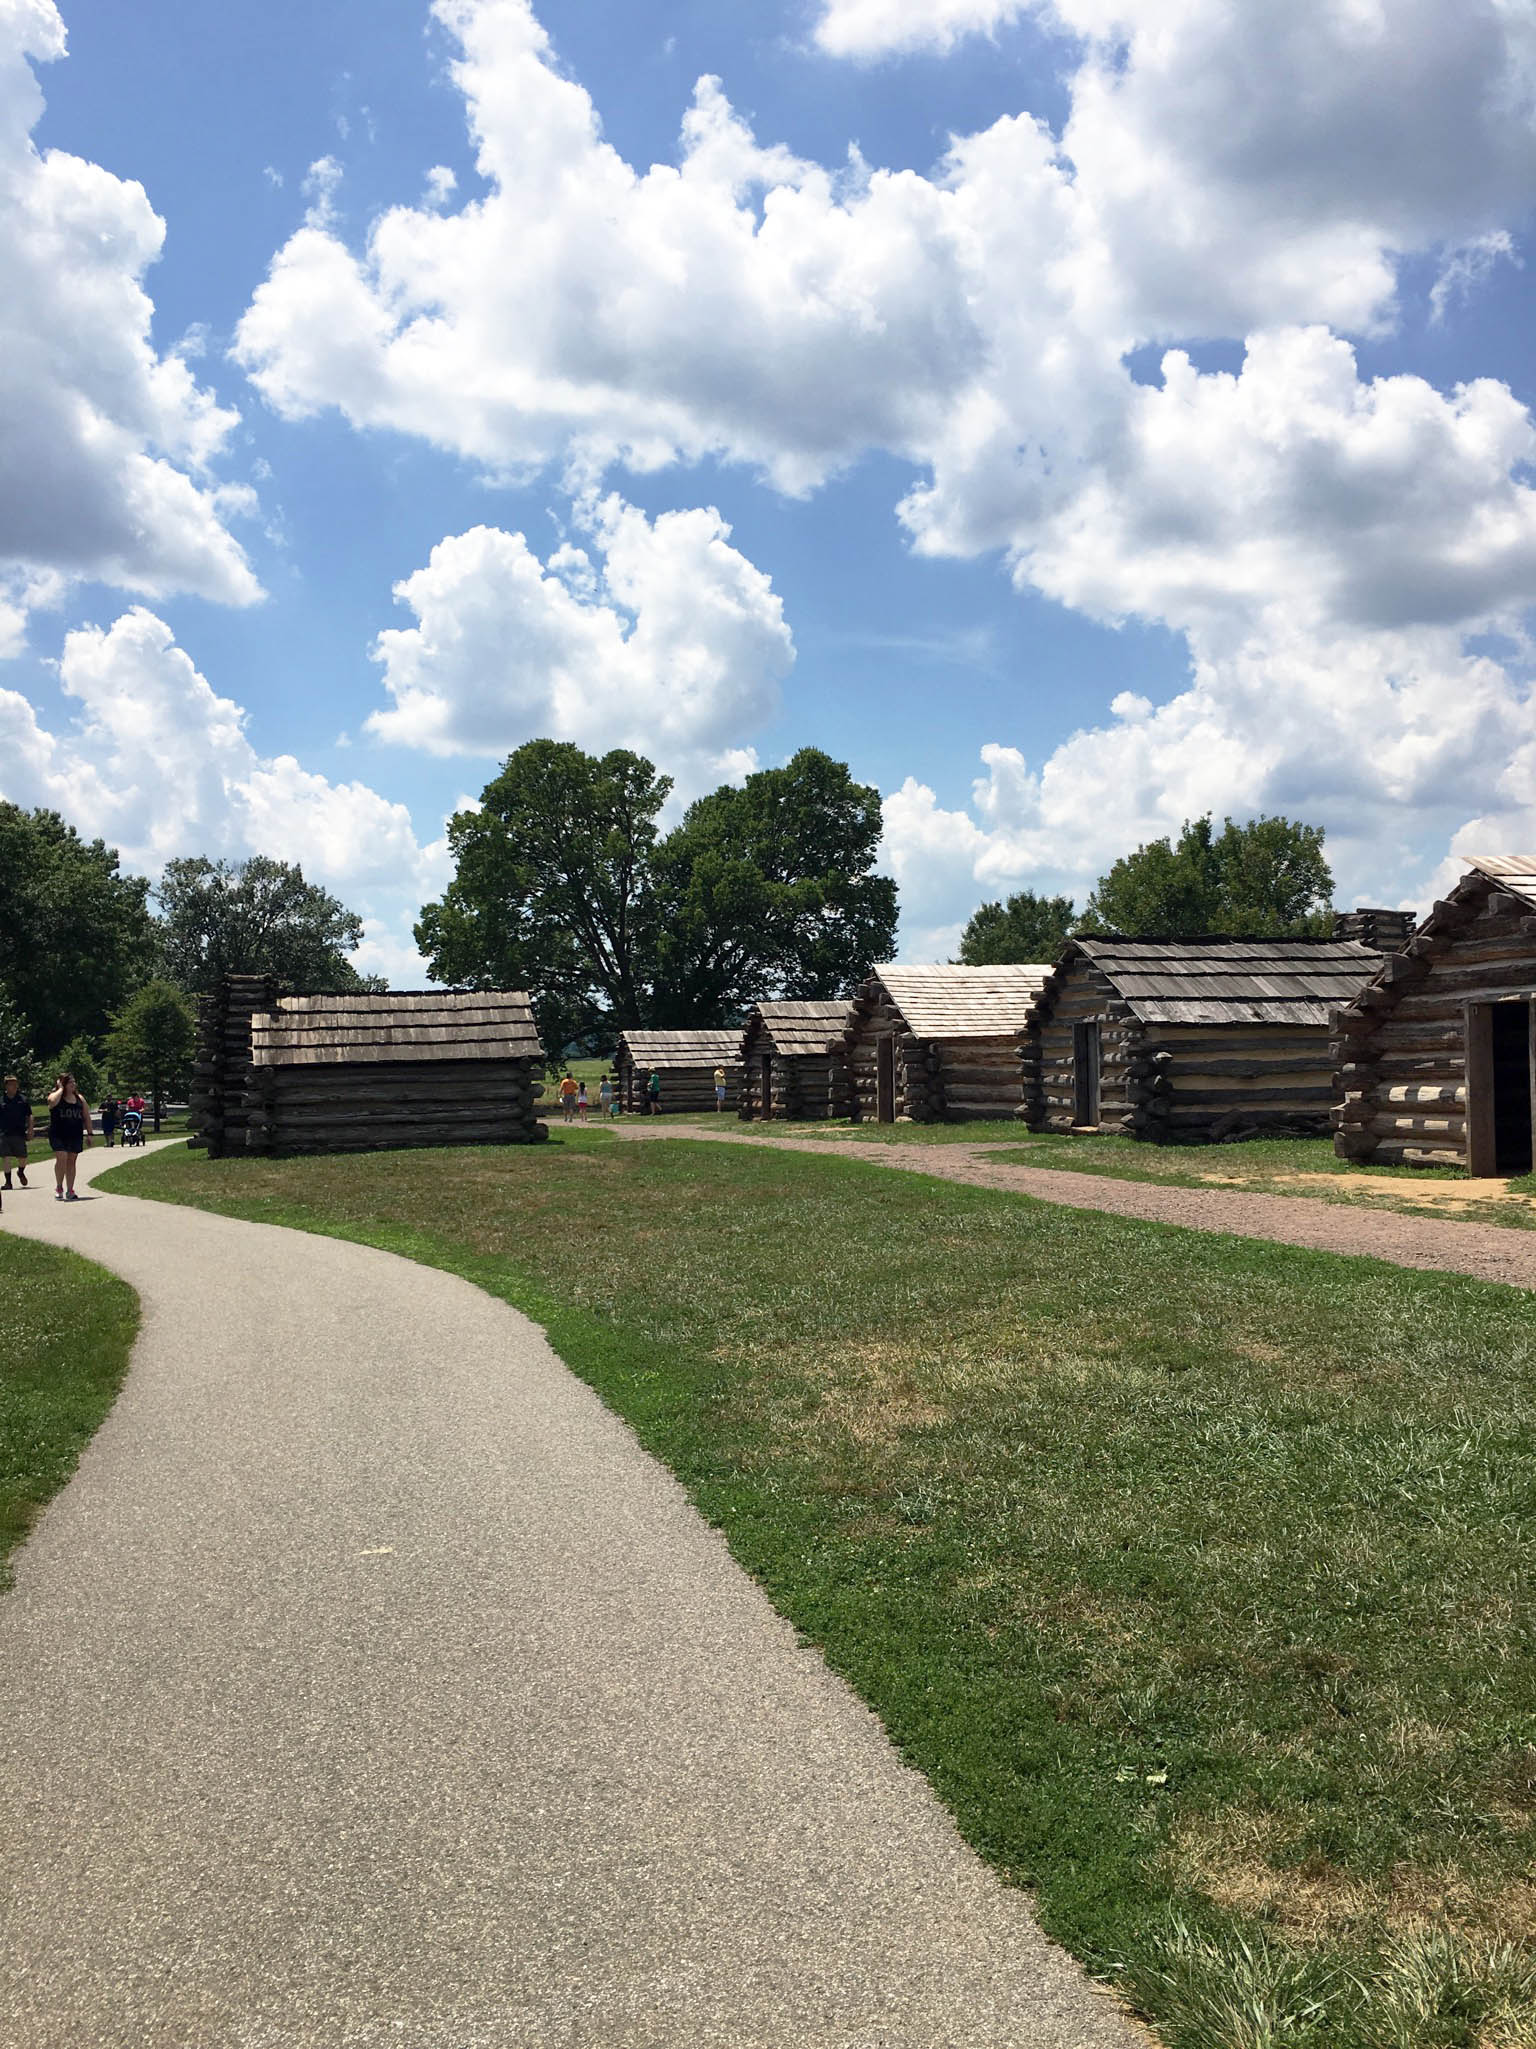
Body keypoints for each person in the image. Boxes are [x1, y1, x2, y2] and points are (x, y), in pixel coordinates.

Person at [47, 1072, 93, 1202]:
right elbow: (51, 1102)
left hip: (75, 1134)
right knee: (62, 1157)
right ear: (63, 1084)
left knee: (71, 1161)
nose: (73, 1084)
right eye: (70, 1082)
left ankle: (70, 1190)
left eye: (74, 1082)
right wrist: (60, 1089)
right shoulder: (56, 1097)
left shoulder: (79, 1098)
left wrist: (89, 1134)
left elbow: (86, 1116)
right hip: (58, 1133)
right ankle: (59, 1187)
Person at [0, 1075, 32, 1190]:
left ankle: (20, 1171)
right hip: (4, 1133)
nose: (14, 1086)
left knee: (22, 1157)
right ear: (6, 1086)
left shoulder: (23, 1099)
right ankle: (8, 1182)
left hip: (19, 1133)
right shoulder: (1, 1100)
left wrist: (30, 1129)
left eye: (15, 1084)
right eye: (11, 1084)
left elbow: (29, 1115)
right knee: (6, 1157)